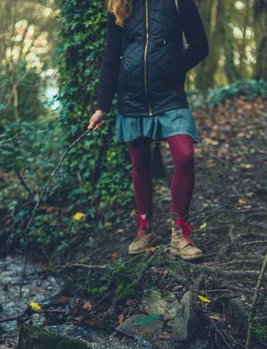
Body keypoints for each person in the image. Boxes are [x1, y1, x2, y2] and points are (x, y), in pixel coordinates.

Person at [88, 0, 209, 261]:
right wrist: (102, 107)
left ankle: (180, 233)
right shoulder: (119, 4)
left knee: (185, 156)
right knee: (140, 164)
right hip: (132, 98)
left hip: (170, 96)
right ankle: (145, 229)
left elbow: (200, 46)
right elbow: (111, 57)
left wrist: (173, 68)